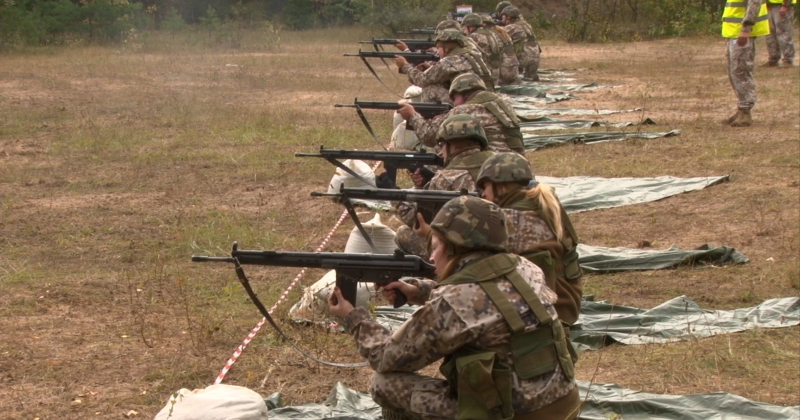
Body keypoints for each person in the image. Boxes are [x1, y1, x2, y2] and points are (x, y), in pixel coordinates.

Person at [328, 195, 580, 420]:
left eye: (435, 246)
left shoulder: (452, 303)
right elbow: (487, 298)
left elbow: (387, 358)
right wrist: (418, 291)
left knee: (383, 383)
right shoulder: (526, 268)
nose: (431, 257)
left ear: (454, 247)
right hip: (562, 405)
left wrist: (354, 318)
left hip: (512, 415)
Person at [475, 152, 583, 327]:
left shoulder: (507, 219)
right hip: (567, 304)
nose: (483, 195)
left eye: (485, 187)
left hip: (548, 314)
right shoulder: (545, 205)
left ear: (499, 186)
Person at [393, 114, 495, 259]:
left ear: (454, 146)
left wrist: (395, 197)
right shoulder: (499, 164)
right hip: (500, 242)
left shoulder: (445, 178)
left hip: (463, 251)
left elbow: (420, 224)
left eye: (442, 145)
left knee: (403, 233)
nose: (440, 152)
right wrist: (427, 184)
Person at [398, 72, 526, 155]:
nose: (454, 104)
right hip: (518, 166)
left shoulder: (464, 110)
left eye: (455, 98)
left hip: (490, 169)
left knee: (443, 148)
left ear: (464, 94)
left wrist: (412, 115)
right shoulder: (504, 104)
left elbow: (429, 137)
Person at [394, 28, 494, 105]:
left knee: (429, 88)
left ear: (446, 48)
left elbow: (422, 80)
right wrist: (429, 67)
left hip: (470, 102)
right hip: (487, 97)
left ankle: (430, 119)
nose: (437, 52)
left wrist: (405, 66)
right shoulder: (472, 53)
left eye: (439, 48)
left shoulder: (449, 61)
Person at [721, 0, 770, 127]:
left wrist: (746, 28)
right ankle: (741, 108)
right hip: (734, 32)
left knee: (741, 70)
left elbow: (754, 3)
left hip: (742, 33)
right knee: (734, 71)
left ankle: (745, 111)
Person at [501, 6, 541, 81]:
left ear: (508, 17)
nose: (502, 18)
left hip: (523, 59)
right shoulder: (527, 25)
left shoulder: (512, 27)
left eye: (503, 16)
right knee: (530, 79)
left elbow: (497, 37)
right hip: (536, 58)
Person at [461, 13, 503, 85]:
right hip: (495, 70)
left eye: (464, 29)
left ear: (471, 27)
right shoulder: (491, 33)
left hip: (485, 72)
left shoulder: (474, 36)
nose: (464, 32)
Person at [483, 14, 522, 85]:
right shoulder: (501, 31)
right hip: (514, 69)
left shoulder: (490, 35)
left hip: (504, 72)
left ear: (484, 24)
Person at [763, 0, 795, 66]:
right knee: (770, 33)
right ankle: (773, 59)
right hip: (768, 5)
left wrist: (785, 5)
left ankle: (788, 60)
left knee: (783, 33)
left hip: (782, 5)